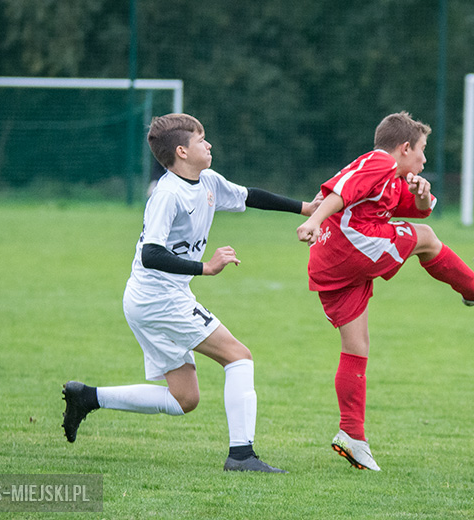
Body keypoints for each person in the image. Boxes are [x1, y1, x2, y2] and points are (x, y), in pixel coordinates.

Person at [63, 113, 321, 473]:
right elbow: (151, 254)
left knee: (184, 399)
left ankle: (87, 397)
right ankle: (242, 455)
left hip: (152, 300)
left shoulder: (208, 181)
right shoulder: (167, 194)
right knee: (239, 357)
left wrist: (308, 209)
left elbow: (250, 196)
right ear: (182, 151)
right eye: (202, 140)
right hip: (159, 300)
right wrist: (206, 267)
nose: (209, 144)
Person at [296, 112, 474, 471]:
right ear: (404, 147)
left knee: (356, 347)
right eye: (422, 151)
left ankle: (353, 436)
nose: (424, 160)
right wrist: (313, 219)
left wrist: (421, 197)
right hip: (352, 247)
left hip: (329, 265)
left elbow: (418, 211)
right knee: (425, 240)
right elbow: (342, 192)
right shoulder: (379, 161)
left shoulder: (392, 179)